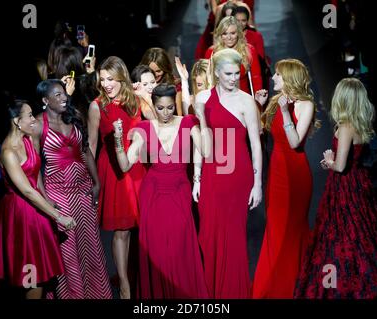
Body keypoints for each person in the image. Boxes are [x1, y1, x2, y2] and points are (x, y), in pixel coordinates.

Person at [112, 83, 211, 298]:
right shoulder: (144, 129)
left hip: (179, 191)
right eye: (160, 108)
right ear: (153, 106)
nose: (165, 113)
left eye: (170, 108)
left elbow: (205, 150)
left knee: (179, 248)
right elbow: (125, 166)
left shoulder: (188, 122)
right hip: (153, 195)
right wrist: (119, 139)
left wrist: (202, 119)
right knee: (157, 252)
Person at [294, 78, 377, 299]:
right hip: (359, 183)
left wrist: (329, 160)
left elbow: (340, 166)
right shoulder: (359, 123)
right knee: (360, 235)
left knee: (339, 236)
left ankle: (339, 285)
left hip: (344, 188)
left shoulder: (346, 127)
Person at [0, 100, 75, 299]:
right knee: (32, 275)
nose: (32, 119)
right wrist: (58, 216)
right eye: (28, 115)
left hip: (36, 210)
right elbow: (27, 191)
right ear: (17, 121)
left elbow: (35, 170)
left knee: (42, 274)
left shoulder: (26, 140)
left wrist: (47, 199)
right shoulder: (8, 152)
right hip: (22, 215)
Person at [195, 48, 263, 298]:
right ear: (216, 72)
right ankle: (211, 292)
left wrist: (258, 184)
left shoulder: (247, 101)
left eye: (237, 73)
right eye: (228, 73)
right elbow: (200, 143)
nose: (234, 78)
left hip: (237, 176)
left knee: (233, 238)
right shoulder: (201, 98)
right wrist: (198, 177)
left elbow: (255, 144)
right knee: (208, 236)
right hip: (212, 173)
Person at [35, 79, 112, 299]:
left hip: (83, 190)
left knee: (91, 249)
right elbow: (36, 166)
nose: (63, 98)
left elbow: (86, 151)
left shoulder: (75, 116)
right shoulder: (38, 125)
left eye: (63, 94)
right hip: (58, 194)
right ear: (45, 100)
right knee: (68, 253)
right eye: (57, 95)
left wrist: (96, 182)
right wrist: (46, 199)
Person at [252, 58, 320, 298]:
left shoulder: (305, 104)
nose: (273, 79)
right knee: (275, 229)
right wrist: (260, 107)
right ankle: (275, 285)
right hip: (277, 174)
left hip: (296, 176)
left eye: (277, 75)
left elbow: (294, 141)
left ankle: (292, 284)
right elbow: (261, 132)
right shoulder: (275, 101)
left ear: (289, 77)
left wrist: (284, 111)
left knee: (290, 230)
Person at [88, 56, 146, 299]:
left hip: (138, 169)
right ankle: (124, 284)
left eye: (111, 79)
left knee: (138, 228)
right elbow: (91, 145)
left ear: (122, 77)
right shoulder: (97, 106)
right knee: (121, 230)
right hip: (113, 171)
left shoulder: (136, 101)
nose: (106, 84)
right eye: (102, 80)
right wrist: (91, 180)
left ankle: (136, 276)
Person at [205, 16, 262, 97]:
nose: (229, 37)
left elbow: (256, 78)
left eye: (232, 33)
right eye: (225, 33)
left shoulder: (249, 50)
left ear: (238, 33)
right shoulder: (212, 52)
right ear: (220, 35)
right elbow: (206, 79)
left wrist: (258, 103)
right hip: (219, 99)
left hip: (243, 100)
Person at [140, 48, 183, 116]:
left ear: (165, 68)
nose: (155, 75)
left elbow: (179, 114)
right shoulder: (139, 84)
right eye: (151, 71)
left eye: (158, 71)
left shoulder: (174, 83)